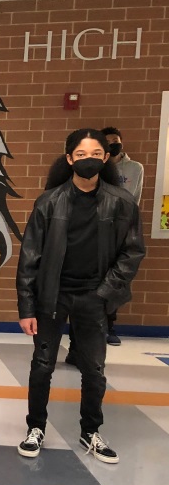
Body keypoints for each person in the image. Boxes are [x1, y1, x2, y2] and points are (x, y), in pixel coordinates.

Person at [16, 129, 145, 463]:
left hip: (94, 297)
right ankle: (35, 428)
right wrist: (27, 306)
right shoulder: (48, 202)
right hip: (52, 297)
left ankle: (91, 431)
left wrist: (105, 293)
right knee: (42, 367)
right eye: (82, 154)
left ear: (106, 158)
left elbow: (132, 252)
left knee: (94, 370)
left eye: (96, 154)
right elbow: (29, 258)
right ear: (69, 158)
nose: (89, 160)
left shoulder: (122, 202)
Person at [100, 126, 144, 345]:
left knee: (116, 275)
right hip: (98, 226)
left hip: (121, 227)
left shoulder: (135, 168)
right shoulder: (96, 166)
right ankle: (91, 326)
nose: (113, 144)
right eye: (108, 141)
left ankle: (110, 325)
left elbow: (134, 199)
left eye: (116, 140)